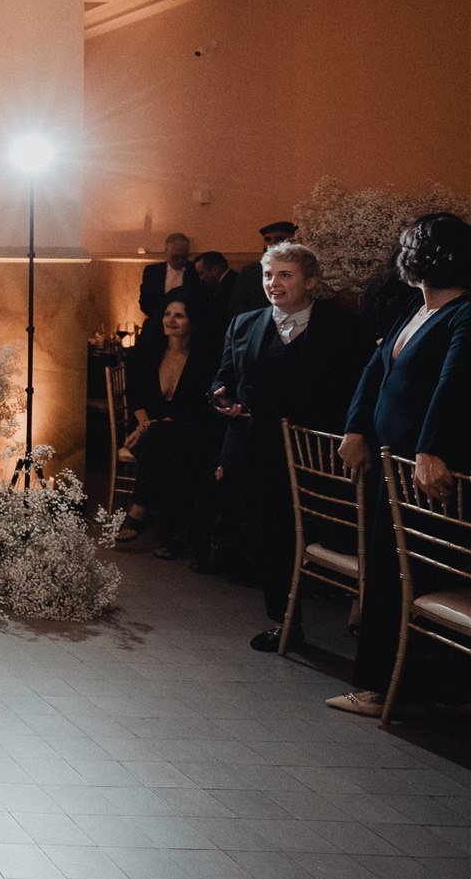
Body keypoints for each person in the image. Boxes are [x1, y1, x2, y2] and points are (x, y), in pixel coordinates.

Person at [329, 212, 471, 717]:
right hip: (389, 463)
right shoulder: (416, 306)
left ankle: (386, 690)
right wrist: (355, 427)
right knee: (383, 568)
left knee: (402, 575)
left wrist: (431, 448)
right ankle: (381, 684)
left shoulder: (464, 314)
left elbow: (455, 384)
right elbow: (376, 368)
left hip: (421, 470)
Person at [211, 240, 370, 654]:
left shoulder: (344, 328)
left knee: (325, 534)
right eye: (268, 275)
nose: (273, 284)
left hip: (317, 455)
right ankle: (285, 622)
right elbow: (223, 377)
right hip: (256, 448)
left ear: (312, 281)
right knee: (267, 537)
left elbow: (356, 391)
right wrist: (221, 397)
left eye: (285, 275)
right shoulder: (244, 324)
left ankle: (359, 615)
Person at [117, 286, 220, 558]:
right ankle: (173, 534)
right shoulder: (151, 352)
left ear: (193, 322)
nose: (170, 320)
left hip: (187, 429)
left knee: (174, 443)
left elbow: (200, 405)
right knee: (171, 451)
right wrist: (142, 424)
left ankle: (140, 508)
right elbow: (135, 394)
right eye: (167, 314)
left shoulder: (204, 359)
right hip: (147, 430)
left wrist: (152, 427)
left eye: (179, 316)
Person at [230, 220, 297, 317]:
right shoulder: (251, 271)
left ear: (293, 240)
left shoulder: (302, 268)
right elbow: (236, 307)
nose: (272, 244)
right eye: (268, 239)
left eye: (279, 239)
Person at [139, 232, 196, 327]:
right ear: (166, 252)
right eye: (176, 256)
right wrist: (160, 318)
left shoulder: (195, 272)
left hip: (188, 327)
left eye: (184, 256)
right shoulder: (152, 271)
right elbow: (145, 301)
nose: (180, 260)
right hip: (158, 325)